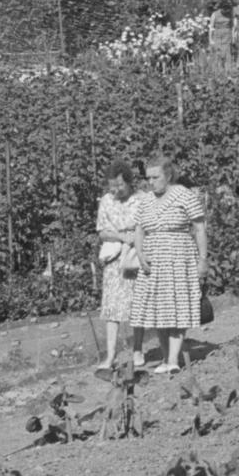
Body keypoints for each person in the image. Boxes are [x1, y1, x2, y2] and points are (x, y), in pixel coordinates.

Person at [130, 154, 208, 374]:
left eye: (156, 177)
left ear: (168, 175)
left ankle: (173, 359)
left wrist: (203, 259)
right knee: (157, 310)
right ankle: (165, 358)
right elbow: (139, 229)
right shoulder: (145, 200)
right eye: (148, 178)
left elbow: (199, 228)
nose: (151, 182)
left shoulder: (184, 195)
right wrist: (140, 252)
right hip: (153, 260)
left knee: (177, 307)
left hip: (178, 257)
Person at [92, 159, 152, 371]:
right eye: (112, 186)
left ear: (129, 182)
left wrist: (134, 239)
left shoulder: (142, 199)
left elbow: (147, 227)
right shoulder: (106, 201)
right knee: (112, 309)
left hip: (135, 257)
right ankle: (110, 356)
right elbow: (102, 231)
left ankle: (137, 349)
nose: (116, 190)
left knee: (137, 306)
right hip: (114, 259)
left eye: (120, 185)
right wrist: (120, 236)